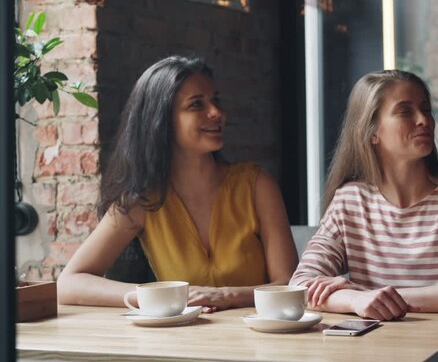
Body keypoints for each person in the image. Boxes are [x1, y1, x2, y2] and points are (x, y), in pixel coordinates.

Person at [57, 56, 298, 312]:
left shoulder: (257, 185)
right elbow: (68, 283)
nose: (217, 112)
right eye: (196, 104)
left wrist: (226, 296)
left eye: (215, 100)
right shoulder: (143, 200)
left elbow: (288, 284)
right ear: (160, 120)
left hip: (259, 340)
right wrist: (153, 296)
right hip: (181, 342)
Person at [289, 70, 438, 321]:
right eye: (405, 111)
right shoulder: (350, 201)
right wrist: (356, 299)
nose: (424, 120)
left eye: (426, 109)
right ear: (372, 132)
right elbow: (300, 288)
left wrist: (377, 297)